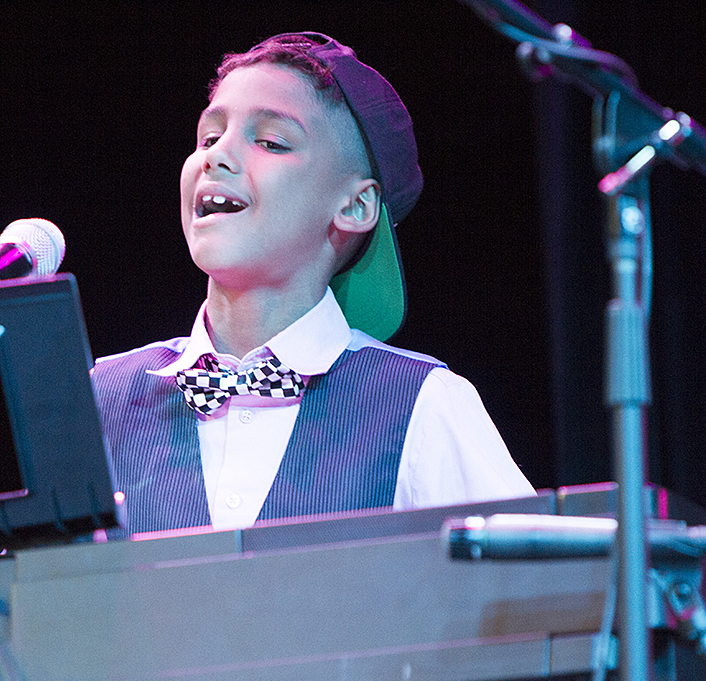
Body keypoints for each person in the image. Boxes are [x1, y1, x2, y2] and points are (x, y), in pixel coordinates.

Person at [92, 32, 533, 535]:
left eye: (271, 142)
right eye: (209, 138)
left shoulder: (420, 405)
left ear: (355, 206)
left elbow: (539, 595)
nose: (216, 157)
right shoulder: (102, 400)